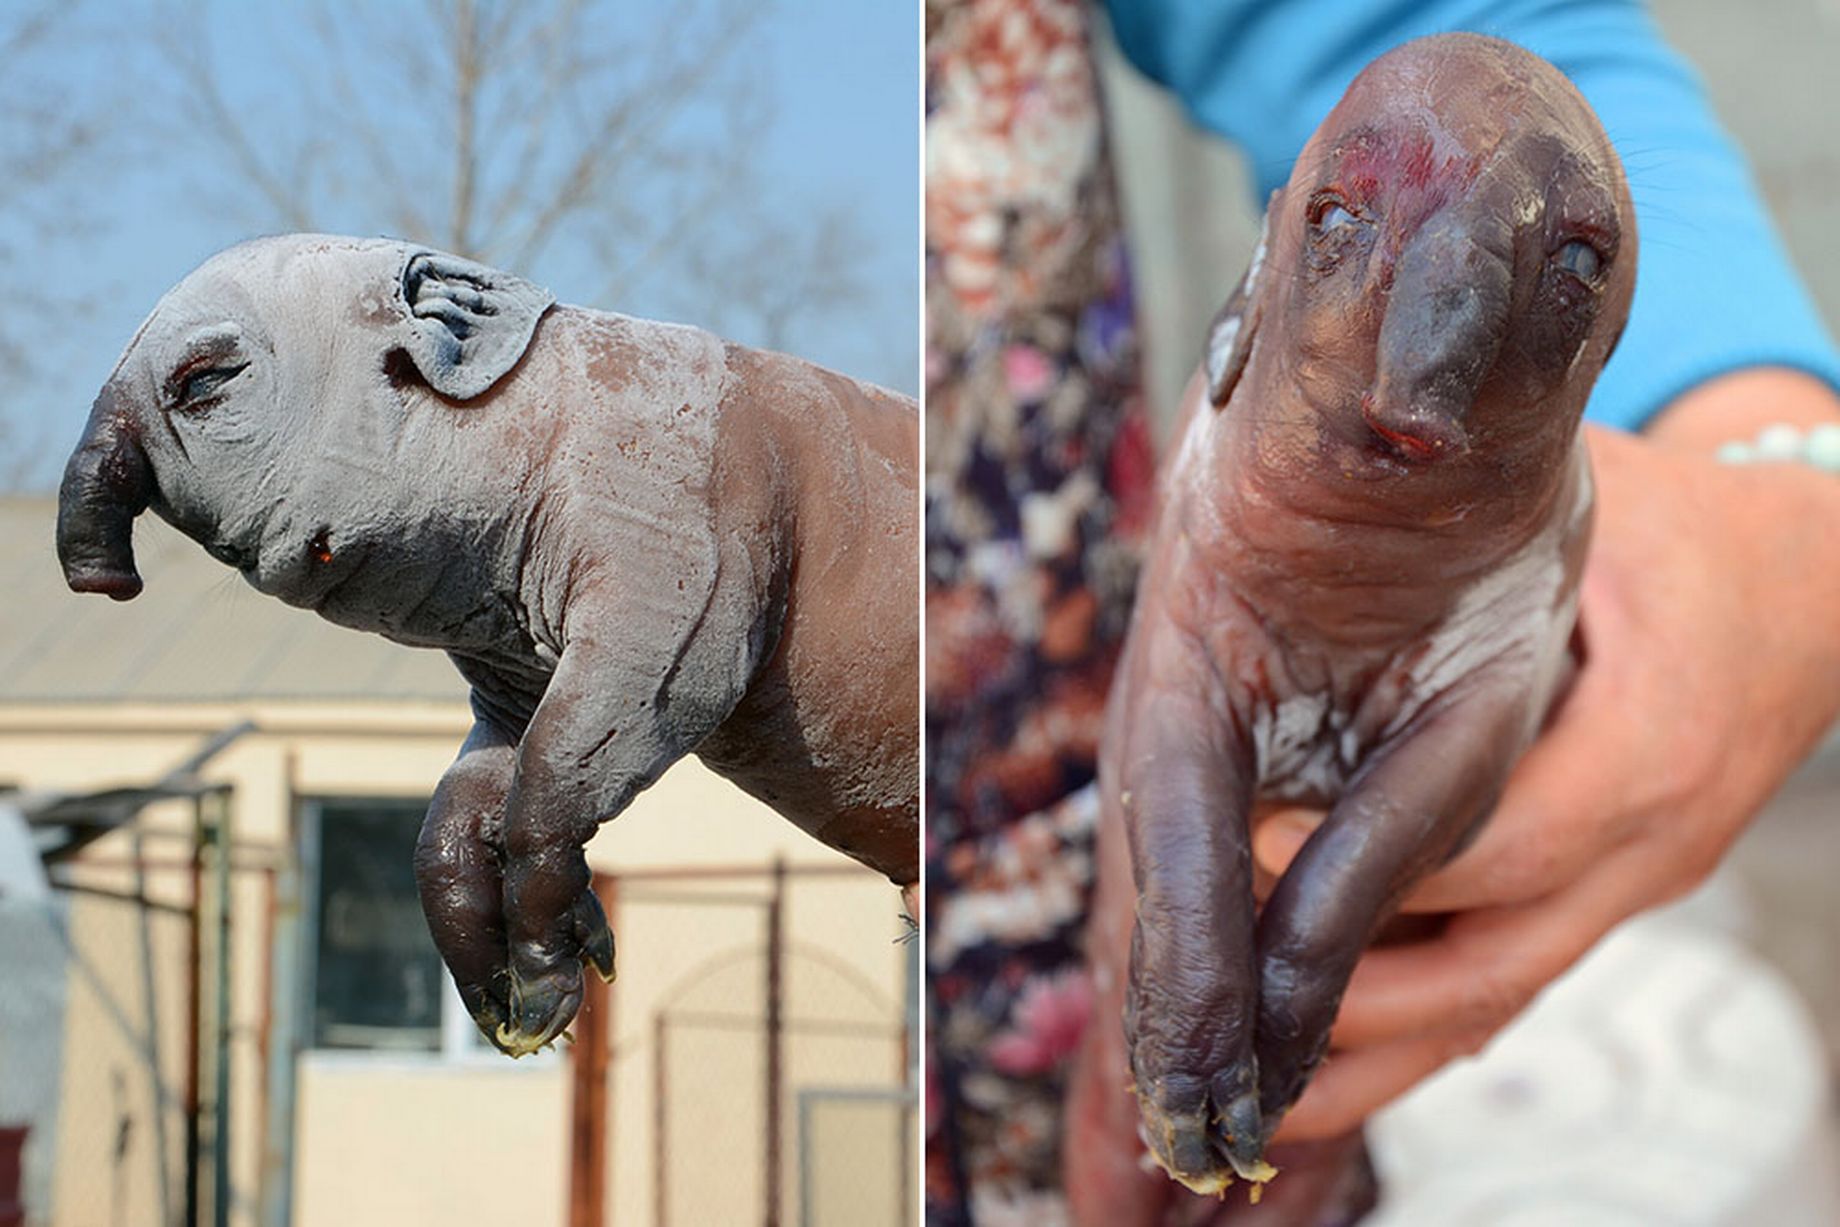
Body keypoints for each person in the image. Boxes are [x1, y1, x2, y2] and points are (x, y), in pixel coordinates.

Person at [925, 0, 1840, 1223]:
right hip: (1025, 832)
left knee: (1294, 1140)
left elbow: (1455, 27)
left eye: (1575, 270)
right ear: (1252, 296)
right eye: (1340, 226)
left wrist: (1786, 483)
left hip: (1046, 831)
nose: (1425, 387)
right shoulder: (1236, 445)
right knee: (1138, 1069)